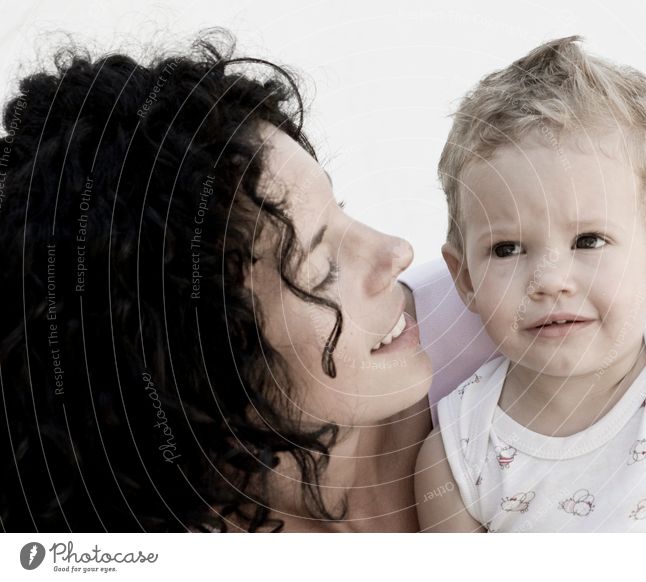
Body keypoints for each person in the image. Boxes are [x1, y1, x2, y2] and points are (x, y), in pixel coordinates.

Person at [0, 30, 432, 532]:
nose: (397, 250)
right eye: (320, 265)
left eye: (343, 209)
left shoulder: (510, 342)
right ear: (192, 365)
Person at [414, 36, 646, 532]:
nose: (550, 280)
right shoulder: (455, 456)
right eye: (507, 249)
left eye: (589, 240)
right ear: (464, 278)